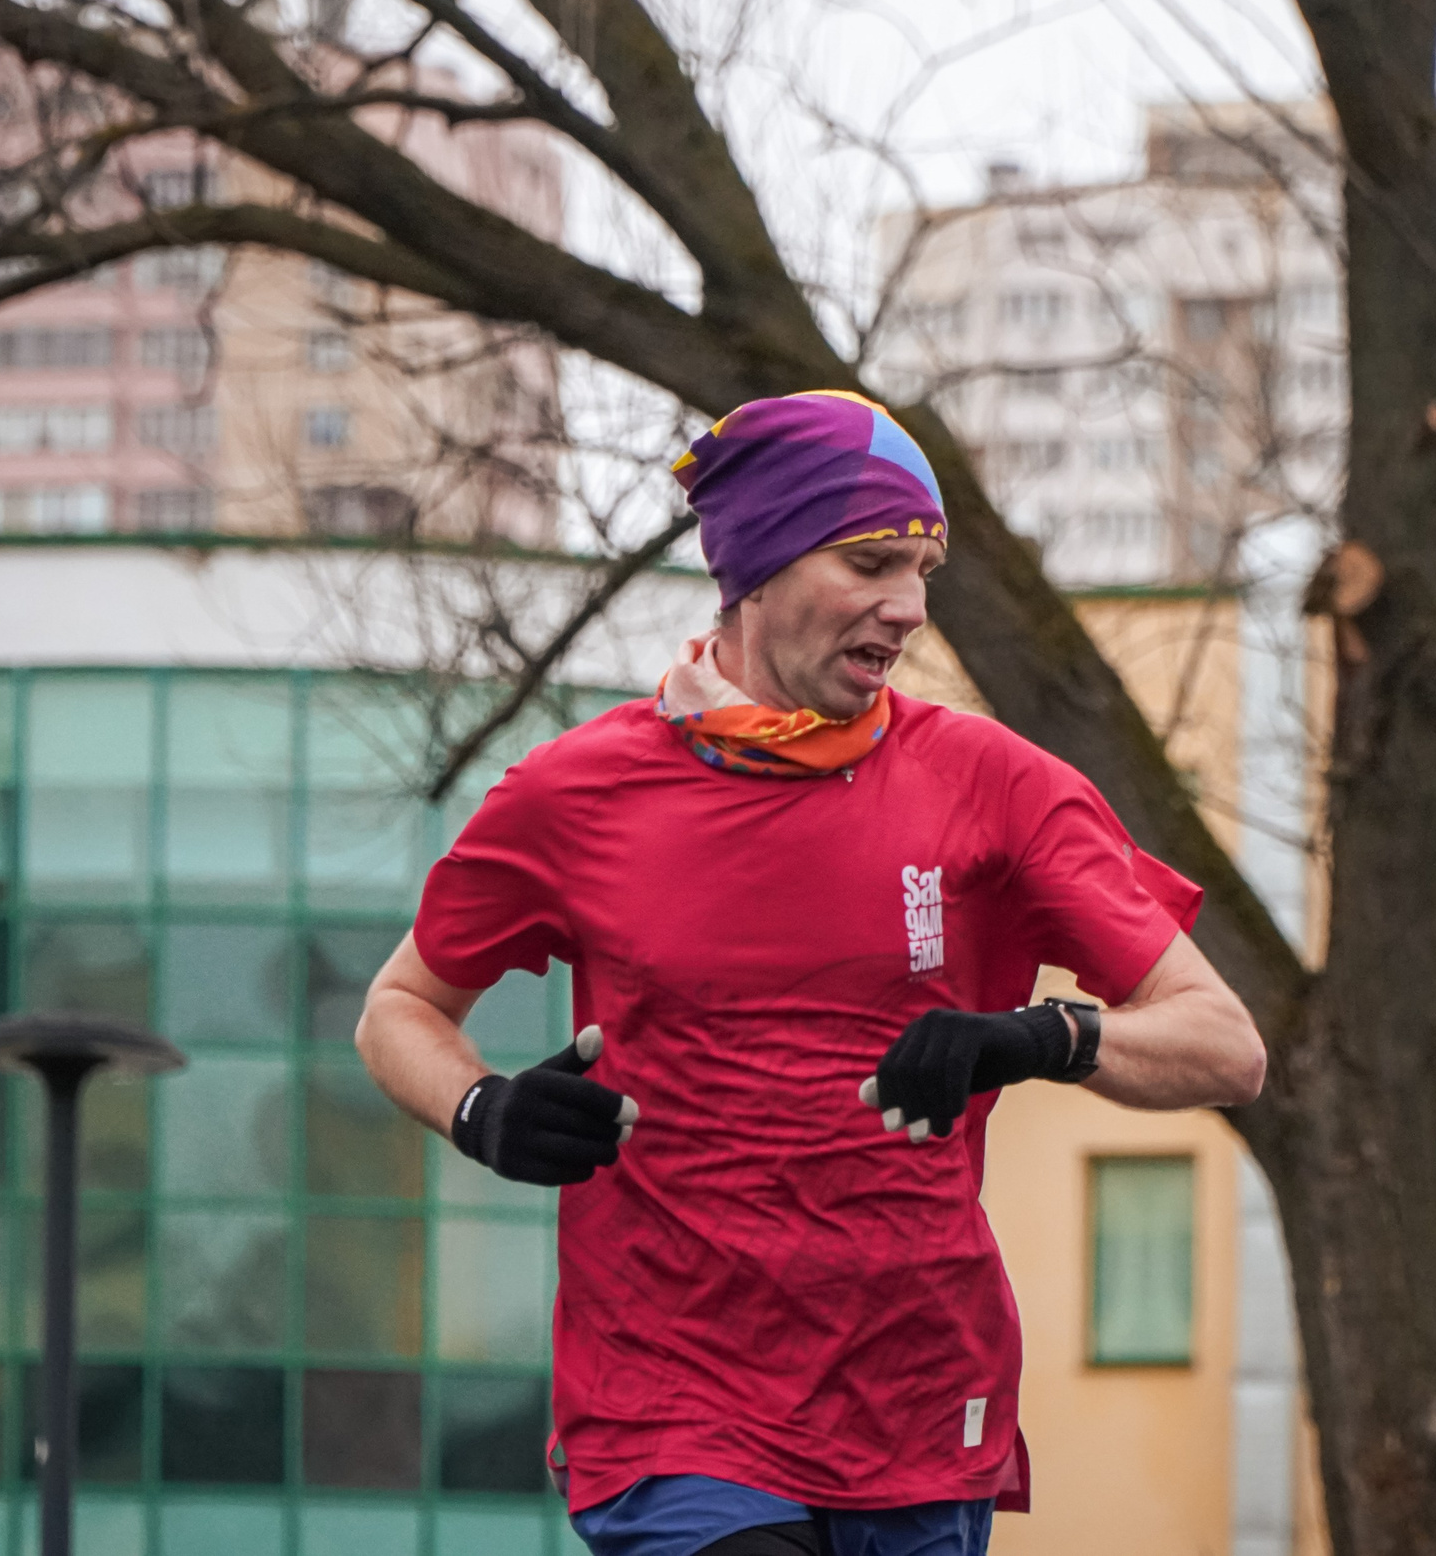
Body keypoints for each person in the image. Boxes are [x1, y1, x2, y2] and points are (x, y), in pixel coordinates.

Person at [357, 390, 1266, 1556]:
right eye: (872, 561)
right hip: (672, 1406)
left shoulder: (1000, 785)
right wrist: (479, 1106)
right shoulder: (571, 795)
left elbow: (1225, 1045)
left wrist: (1039, 1038)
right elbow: (400, 1008)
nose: (909, 609)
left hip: (920, 1398)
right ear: (759, 566)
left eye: (923, 571)